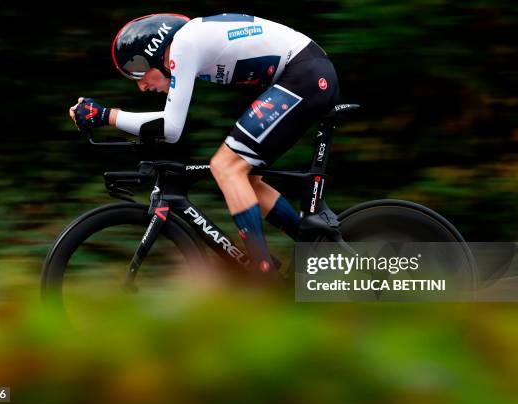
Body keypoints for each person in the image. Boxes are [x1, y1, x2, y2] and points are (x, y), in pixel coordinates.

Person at [69, 13, 340, 277]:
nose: (141, 85)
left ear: (154, 52)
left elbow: (172, 129)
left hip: (305, 75)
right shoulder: (189, 41)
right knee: (248, 180)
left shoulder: (183, 45)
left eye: (138, 72)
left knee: (226, 167)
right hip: (304, 75)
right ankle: (311, 242)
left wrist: (106, 115)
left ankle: (262, 273)